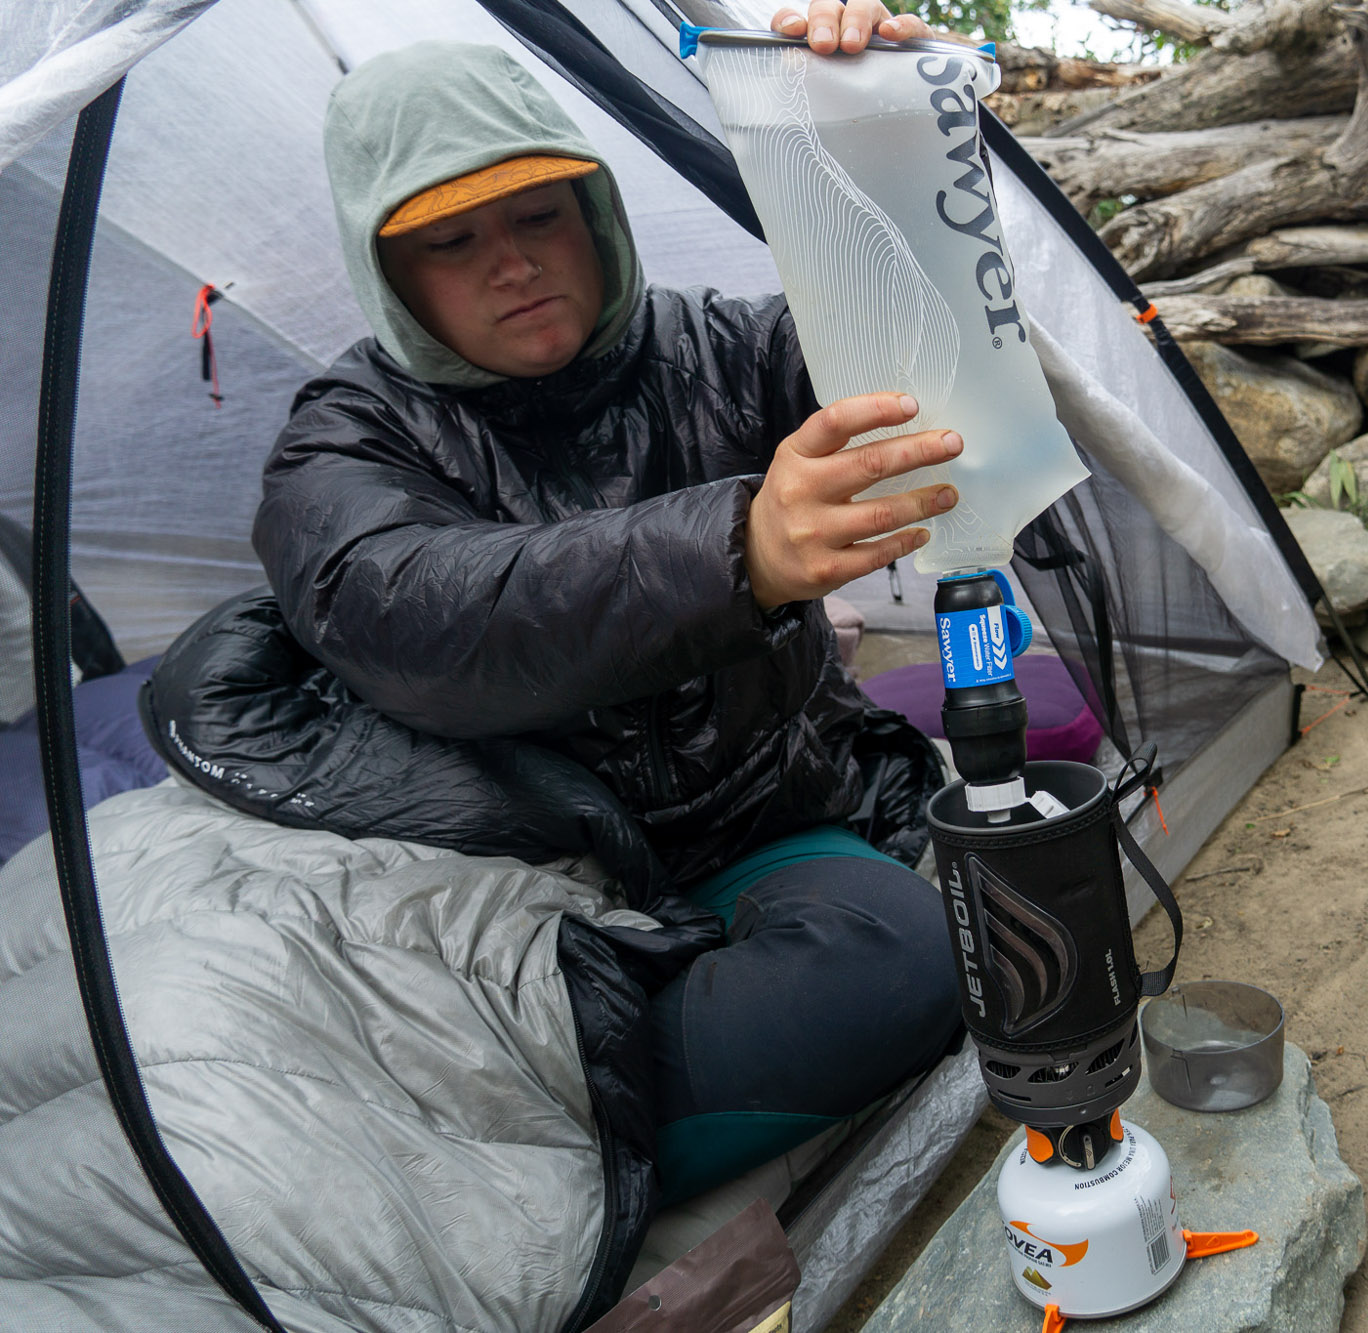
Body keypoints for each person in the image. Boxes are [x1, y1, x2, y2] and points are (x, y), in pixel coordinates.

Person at [211, 2, 965, 1211]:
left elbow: (932, 364)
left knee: (907, 962)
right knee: (280, 1081)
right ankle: (500, 1139)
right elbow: (411, 613)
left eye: (536, 214)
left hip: (759, 830)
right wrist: (738, 547)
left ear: (596, 215)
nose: (510, 262)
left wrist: (875, 137)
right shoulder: (343, 437)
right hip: (517, 882)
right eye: (450, 243)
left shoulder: (716, 349)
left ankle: (525, 1164)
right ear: (387, 271)